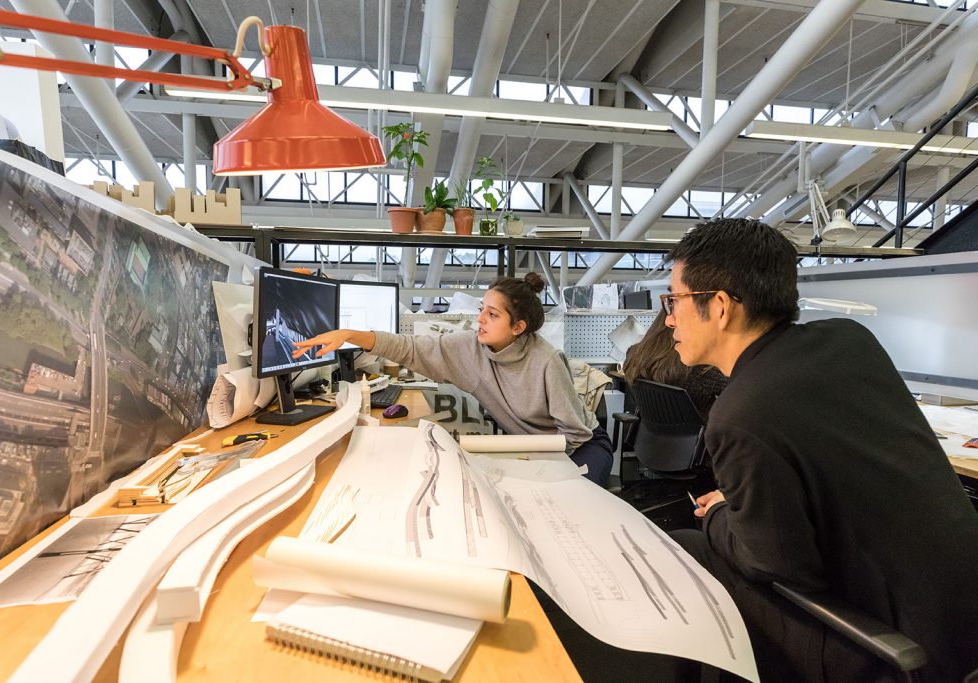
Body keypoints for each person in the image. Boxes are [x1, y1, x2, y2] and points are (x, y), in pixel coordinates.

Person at [661, 217, 978, 682]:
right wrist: (745, 503)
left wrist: (718, 516)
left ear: (721, 307)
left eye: (675, 300)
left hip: (895, 652)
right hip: (959, 617)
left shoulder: (740, 415)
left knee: (689, 548)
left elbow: (777, 563)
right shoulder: (849, 341)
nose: (669, 317)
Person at [292, 272, 614, 486]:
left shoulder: (546, 361)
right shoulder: (469, 347)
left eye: (493, 314)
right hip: (528, 448)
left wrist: (530, 460)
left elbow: (574, 435)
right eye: (482, 309)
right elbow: (410, 349)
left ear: (518, 327)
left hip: (580, 448)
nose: (481, 320)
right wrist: (351, 335)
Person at [622, 308, 726, 420]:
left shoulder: (634, 354)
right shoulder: (699, 367)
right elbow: (738, 387)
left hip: (648, 434)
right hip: (697, 436)